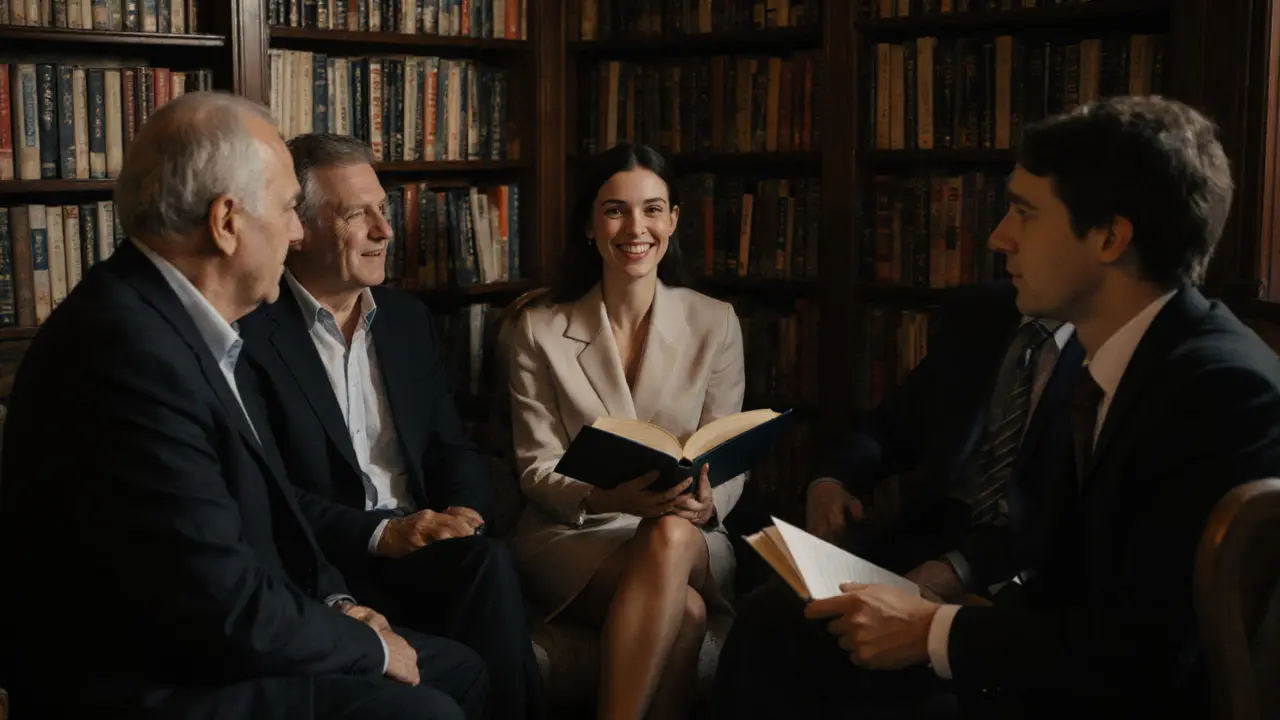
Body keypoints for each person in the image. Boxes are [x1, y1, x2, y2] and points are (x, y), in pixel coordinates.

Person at [722, 94, 1280, 719]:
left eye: (1025, 213)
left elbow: (1144, 655)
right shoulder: (1127, 356)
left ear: (1109, 236)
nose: (998, 238)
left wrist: (932, 630)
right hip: (1034, 637)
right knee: (781, 624)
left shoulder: (1220, 388)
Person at [0, 92, 486, 720]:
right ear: (227, 221)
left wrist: (338, 606)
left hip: (213, 641)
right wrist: (363, 643)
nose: (294, 230)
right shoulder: (125, 353)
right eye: (288, 208)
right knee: (426, 712)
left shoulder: (191, 326)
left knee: (463, 671)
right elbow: (218, 601)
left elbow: (264, 523)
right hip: (150, 682)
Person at [237, 132, 546, 720]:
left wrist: (465, 515)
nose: (385, 230)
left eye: (384, 208)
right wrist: (381, 535)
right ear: (297, 227)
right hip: (328, 558)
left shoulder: (406, 320)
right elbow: (270, 492)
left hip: (424, 547)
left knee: (487, 560)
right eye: (358, 214)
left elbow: (450, 448)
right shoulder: (254, 332)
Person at [506, 142, 746, 719]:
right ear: (590, 225)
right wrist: (608, 496)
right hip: (577, 532)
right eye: (615, 210)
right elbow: (536, 467)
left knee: (668, 536)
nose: (635, 227)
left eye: (652, 209)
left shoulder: (715, 321)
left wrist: (710, 501)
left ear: (673, 221)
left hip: (690, 534)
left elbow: (729, 453)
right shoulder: (538, 329)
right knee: (684, 613)